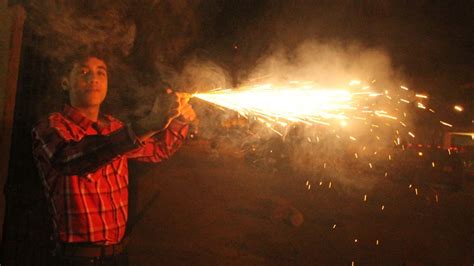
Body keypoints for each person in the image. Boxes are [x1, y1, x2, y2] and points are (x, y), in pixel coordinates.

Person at [31, 51, 196, 265]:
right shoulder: (50, 126)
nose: (94, 79)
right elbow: (70, 160)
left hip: (117, 256)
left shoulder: (114, 127)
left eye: (101, 73)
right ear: (65, 83)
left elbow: (158, 151)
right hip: (75, 259)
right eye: (83, 72)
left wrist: (177, 120)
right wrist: (148, 124)